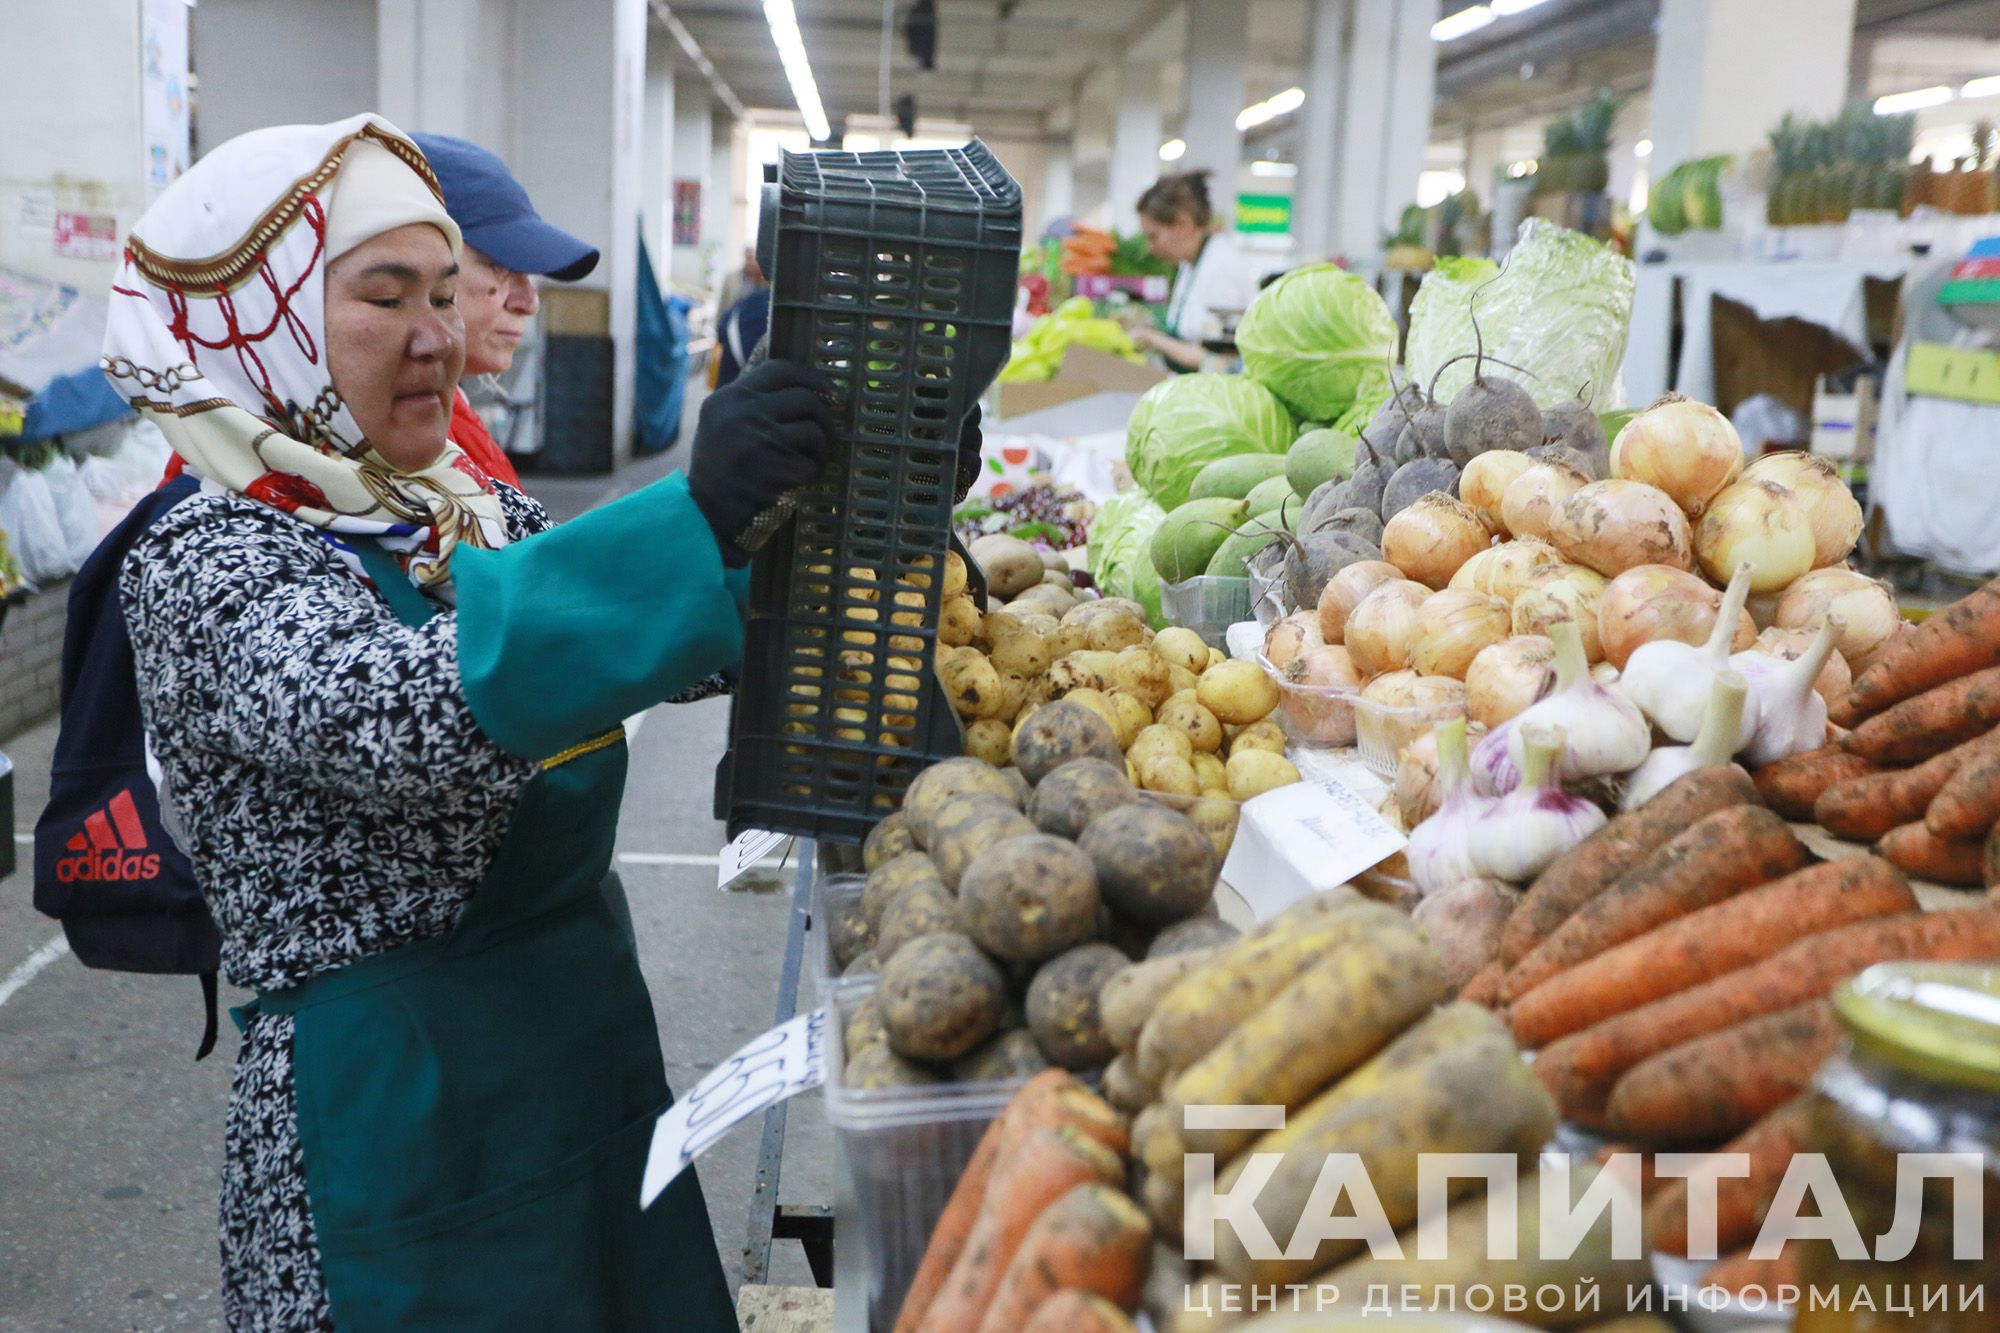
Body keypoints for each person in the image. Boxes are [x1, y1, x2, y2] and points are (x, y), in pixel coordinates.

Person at [102, 114, 829, 1331]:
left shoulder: (458, 507)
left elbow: (658, 642)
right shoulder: (203, 554)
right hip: (396, 1125)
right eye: (387, 298)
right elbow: (391, 712)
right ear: (258, 317)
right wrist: (693, 512)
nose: (438, 337)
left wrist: (828, 521)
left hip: (578, 1065)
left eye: (446, 291)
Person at [412, 132, 600, 491]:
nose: (529, 301)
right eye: (497, 266)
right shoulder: (382, 446)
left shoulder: (446, 420)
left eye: (526, 275)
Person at [1130, 169, 1260, 372]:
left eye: (1153, 236)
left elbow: (1218, 361)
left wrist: (1151, 338)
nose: (1150, 247)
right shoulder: (1190, 263)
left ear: (1183, 224)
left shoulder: (1220, 267)